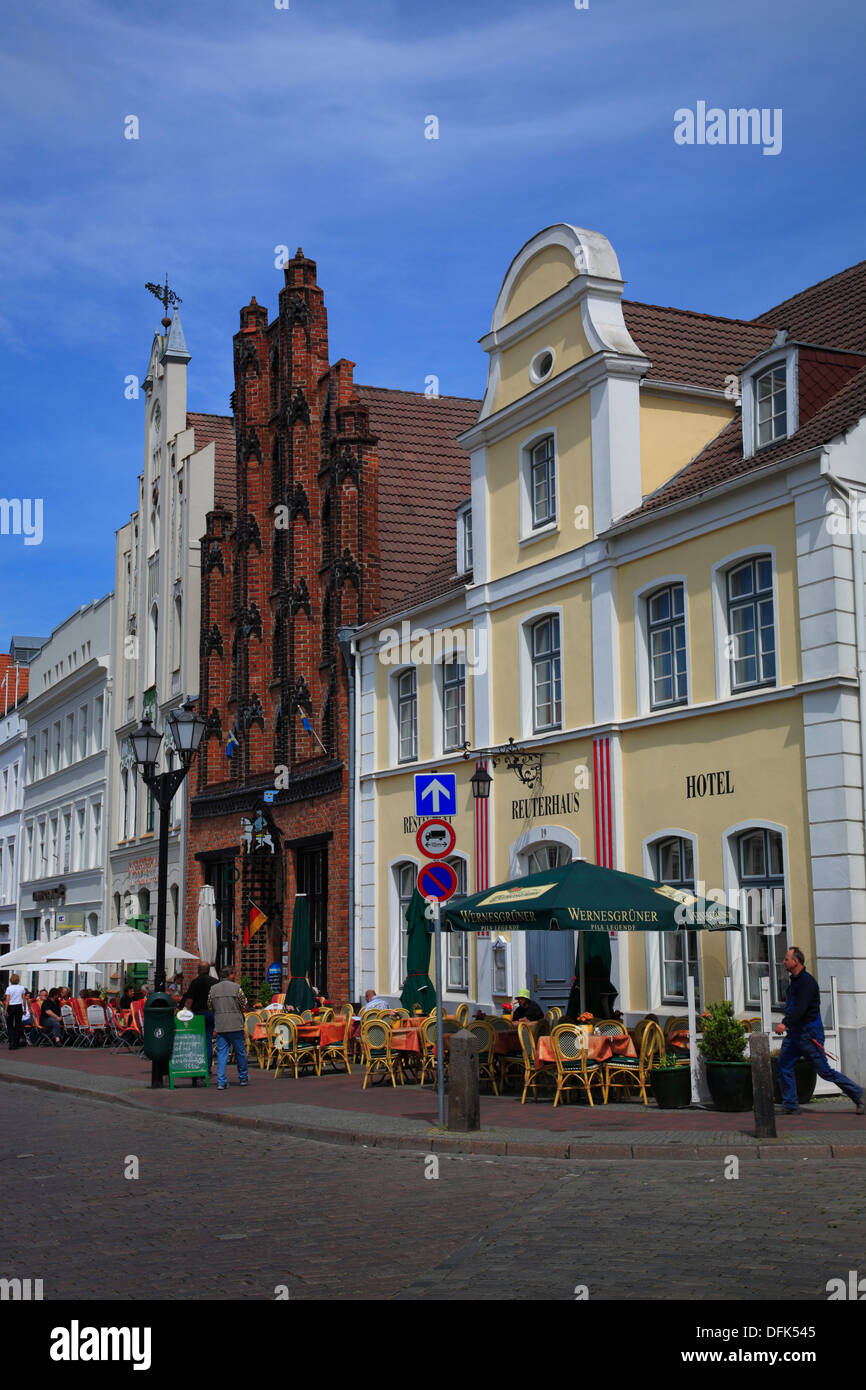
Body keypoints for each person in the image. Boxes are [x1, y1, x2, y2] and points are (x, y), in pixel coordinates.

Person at [775, 947, 865, 1116]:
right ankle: (790, 1104)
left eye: (786, 959)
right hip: (796, 1033)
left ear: (796, 961)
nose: (784, 962)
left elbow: (801, 1009)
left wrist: (785, 1023)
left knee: (824, 1071)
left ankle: (859, 1094)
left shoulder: (807, 982)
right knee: (783, 1065)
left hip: (808, 1034)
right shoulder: (795, 981)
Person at [207, 967, 250, 1091]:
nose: (235, 976)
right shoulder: (236, 988)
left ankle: (221, 1081)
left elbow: (209, 1005)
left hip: (221, 1024)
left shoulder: (213, 989)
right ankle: (243, 1077)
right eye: (234, 974)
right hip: (236, 1023)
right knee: (240, 1052)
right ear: (230, 975)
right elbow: (244, 1004)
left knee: (222, 1054)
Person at [184, 963, 218, 1073]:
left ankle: (197, 1066)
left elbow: (189, 1001)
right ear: (208, 970)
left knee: (197, 1041)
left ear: (198, 971)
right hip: (210, 1014)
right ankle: (207, 1068)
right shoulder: (215, 982)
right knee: (208, 1041)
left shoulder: (195, 982)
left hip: (198, 1014)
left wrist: (186, 1014)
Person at [4, 973, 27, 1050]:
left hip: (11, 1006)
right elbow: (24, 999)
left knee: (10, 1025)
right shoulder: (21, 988)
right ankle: (16, 1043)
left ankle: (11, 1042)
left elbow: (7, 1000)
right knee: (17, 1025)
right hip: (18, 1006)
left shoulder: (9, 988)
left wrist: (5, 1010)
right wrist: (24, 1009)